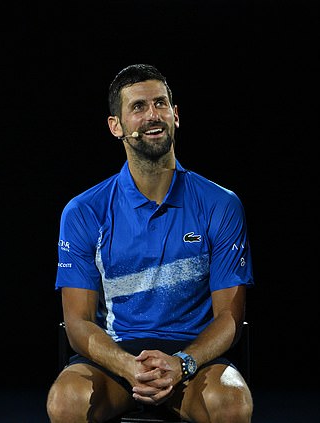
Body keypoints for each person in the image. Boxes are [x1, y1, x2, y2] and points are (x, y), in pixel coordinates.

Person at [46, 64, 253, 423]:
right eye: (138, 107)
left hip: (194, 358)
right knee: (66, 400)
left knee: (232, 401)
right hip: (116, 357)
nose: (152, 115)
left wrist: (182, 363)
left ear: (175, 115)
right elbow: (77, 321)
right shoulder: (83, 211)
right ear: (116, 126)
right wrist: (128, 365)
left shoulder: (221, 204)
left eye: (160, 104)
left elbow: (230, 316)